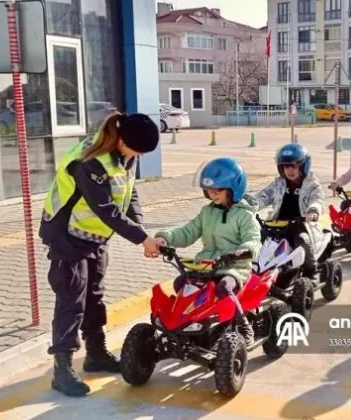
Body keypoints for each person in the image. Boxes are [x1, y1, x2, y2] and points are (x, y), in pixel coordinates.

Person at [38, 112, 164, 397]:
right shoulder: (90, 161)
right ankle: (62, 369)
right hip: (66, 235)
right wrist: (141, 239)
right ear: (121, 139)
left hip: (93, 236)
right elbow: (105, 208)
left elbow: (129, 195)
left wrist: (141, 228)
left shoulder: (125, 156)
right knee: (72, 300)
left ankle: (96, 354)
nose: (138, 157)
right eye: (137, 150)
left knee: (94, 294)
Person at [153, 157, 262, 343]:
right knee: (181, 283)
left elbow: (253, 239)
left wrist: (245, 250)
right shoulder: (207, 212)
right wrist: (166, 238)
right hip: (207, 264)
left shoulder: (245, 215)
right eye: (208, 190)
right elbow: (188, 232)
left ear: (234, 188)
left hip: (234, 266)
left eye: (217, 190)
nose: (212, 194)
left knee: (224, 287)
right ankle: (189, 324)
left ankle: (243, 323)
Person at [255, 143, 325, 277]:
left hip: (301, 224)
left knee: (302, 240)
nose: (290, 170)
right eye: (286, 166)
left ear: (303, 166)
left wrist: (313, 211)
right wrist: (249, 205)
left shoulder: (312, 184)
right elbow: (264, 196)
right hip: (277, 224)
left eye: (294, 166)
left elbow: (317, 199)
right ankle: (256, 269)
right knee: (258, 239)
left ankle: (312, 270)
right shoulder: (279, 183)